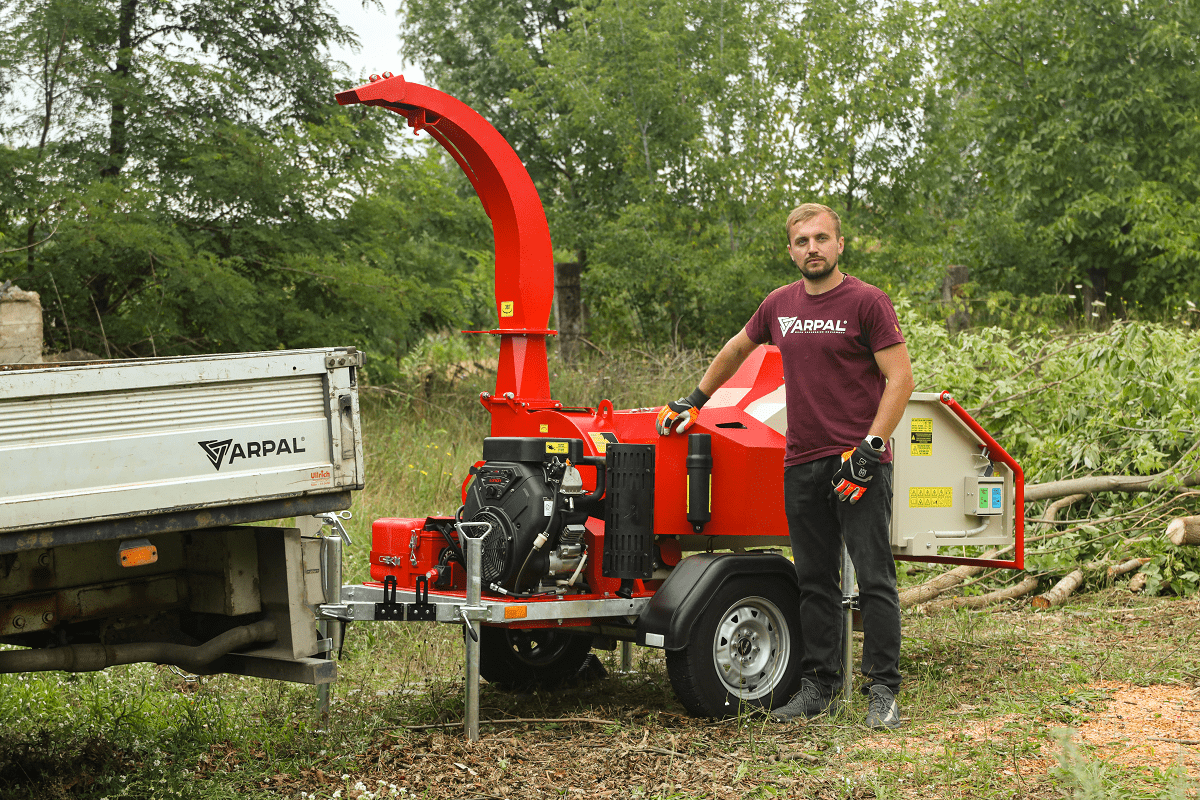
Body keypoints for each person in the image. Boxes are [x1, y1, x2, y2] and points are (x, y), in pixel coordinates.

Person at [656, 203, 914, 730]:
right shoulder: (779, 304)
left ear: (840, 244)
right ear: (791, 250)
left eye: (821, 238)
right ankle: (819, 687)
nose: (812, 248)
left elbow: (901, 379)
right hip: (801, 461)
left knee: (874, 578)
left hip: (857, 462)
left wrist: (870, 450)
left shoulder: (867, 301)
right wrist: (694, 400)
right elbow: (737, 348)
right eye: (802, 241)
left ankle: (883, 690)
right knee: (814, 580)